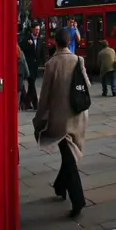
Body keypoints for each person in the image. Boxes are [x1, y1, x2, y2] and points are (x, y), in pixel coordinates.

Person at [33, 27, 91, 218]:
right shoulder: (78, 60)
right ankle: (60, 186)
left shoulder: (52, 64)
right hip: (79, 115)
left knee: (68, 156)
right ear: (69, 41)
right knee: (69, 154)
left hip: (61, 119)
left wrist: (38, 119)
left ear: (56, 43)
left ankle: (78, 201)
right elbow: (87, 86)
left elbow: (44, 97)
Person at [21, 21, 42, 110]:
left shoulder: (40, 39)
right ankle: (36, 105)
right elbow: (21, 50)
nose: (38, 31)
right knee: (32, 83)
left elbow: (41, 52)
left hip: (35, 66)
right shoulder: (26, 39)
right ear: (32, 29)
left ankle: (26, 103)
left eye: (39, 30)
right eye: (36, 29)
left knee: (31, 85)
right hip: (28, 66)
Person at [17, 45, 30, 110]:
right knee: (18, 94)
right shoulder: (21, 53)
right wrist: (27, 74)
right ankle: (17, 107)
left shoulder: (8, 52)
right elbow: (25, 63)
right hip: (20, 76)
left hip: (12, 77)